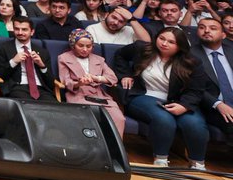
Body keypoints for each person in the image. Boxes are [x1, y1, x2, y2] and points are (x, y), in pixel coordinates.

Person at [115, 28, 210, 169]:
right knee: (164, 118)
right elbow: (120, 56)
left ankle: (198, 163)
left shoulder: (193, 62)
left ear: (180, 46)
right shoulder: (142, 48)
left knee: (195, 124)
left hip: (180, 101)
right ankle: (161, 159)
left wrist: (184, 106)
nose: (164, 43)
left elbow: (196, 90)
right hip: (144, 95)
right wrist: (125, 75)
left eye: (171, 42)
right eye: (162, 38)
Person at [58, 29, 124, 133]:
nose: (85, 49)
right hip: (78, 94)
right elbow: (66, 81)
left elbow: (112, 78)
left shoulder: (99, 59)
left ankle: (116, 148)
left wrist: (96, 78)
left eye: (89, 46)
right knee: (88, 119)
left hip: (99, 95)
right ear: (73, 45)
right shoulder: (63, 58)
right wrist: (80, 83)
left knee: (119, 118)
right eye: (81, 46)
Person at [0, 16, 55, 101]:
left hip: (41, 89)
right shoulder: (3, 48)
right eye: (17, 29)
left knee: (54, 108)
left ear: (32, 32)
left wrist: (42, 66)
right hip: (17, 87)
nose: (20, 32)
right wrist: (13, 62)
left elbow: (51, 82)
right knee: (28, 106)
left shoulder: (42, 52)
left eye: (24, 29)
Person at [192, 16, 233, 130]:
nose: (206, 31)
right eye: (202, 27)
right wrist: (218, 104)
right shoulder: (189, 55)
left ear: (223, 35)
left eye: (213, 28)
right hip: (211, 106)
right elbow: (192, 87)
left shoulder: (231, 50)